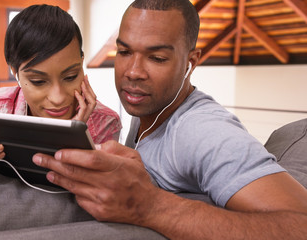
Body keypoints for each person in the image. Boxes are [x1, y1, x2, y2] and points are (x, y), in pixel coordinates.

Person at [32, 0, 307, 239]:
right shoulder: (148, 110)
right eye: (125, 52)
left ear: (191, 62)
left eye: (157, 58)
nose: (133, 72)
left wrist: (152, 207)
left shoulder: (202, 131)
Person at [0, 4, 121, 172]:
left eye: (70, 77)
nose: (58, 98)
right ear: (15, 72)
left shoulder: (105, 123)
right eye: (38, 81)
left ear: (81, 63)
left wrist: (74, 138)